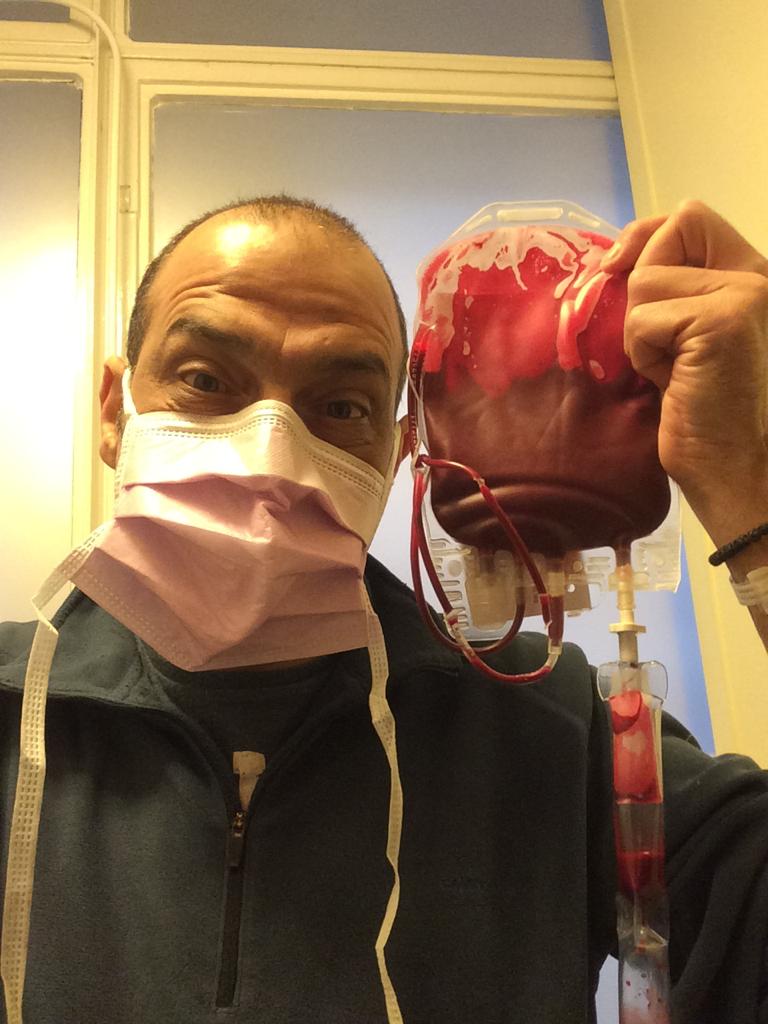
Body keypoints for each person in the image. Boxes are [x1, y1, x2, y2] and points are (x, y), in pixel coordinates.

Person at [1, 195, 767, 1024]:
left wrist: (749, 481)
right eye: (204, 381)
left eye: (341, 407)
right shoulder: (11, 715)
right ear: (114, 412)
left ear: (399, 454)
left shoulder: (554, 729)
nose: (270, 454)